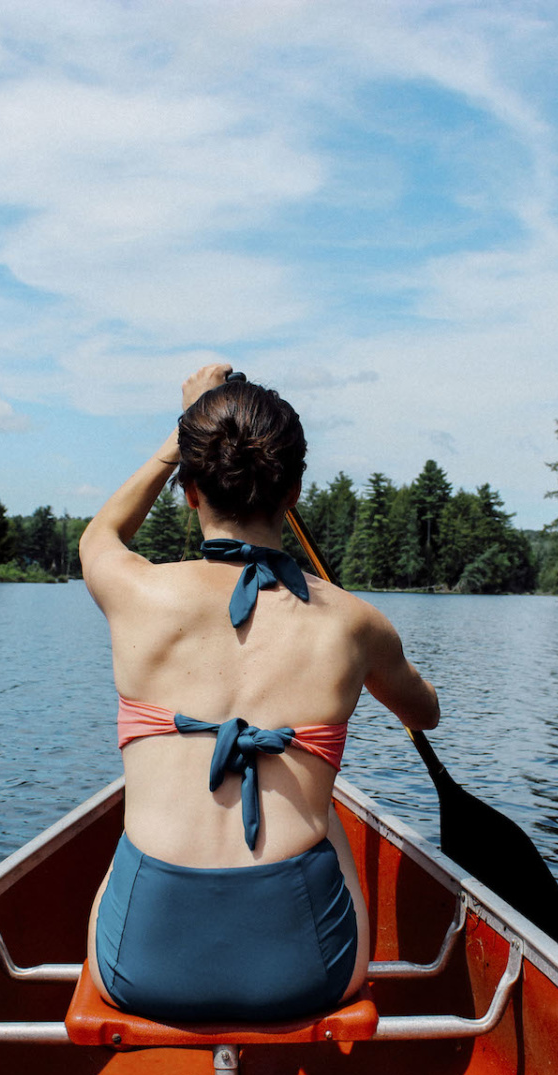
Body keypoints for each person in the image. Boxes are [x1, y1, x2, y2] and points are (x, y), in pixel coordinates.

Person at [78, 363, 439, 1023]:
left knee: (144, 806)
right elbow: (427, 713)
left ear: (189, 491)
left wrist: (178, 434)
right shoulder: (355, 623)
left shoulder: (136, 593)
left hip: (140, 972)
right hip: (308, 975)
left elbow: (100, 537)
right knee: (323, 808)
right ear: (294, 490)